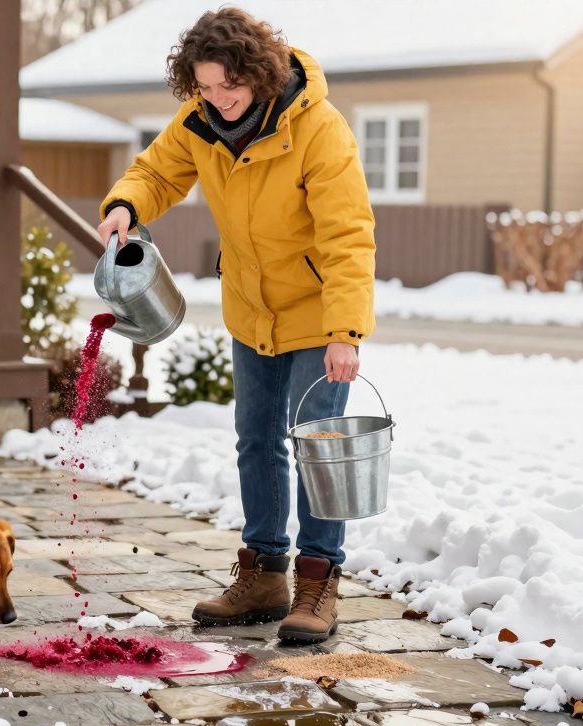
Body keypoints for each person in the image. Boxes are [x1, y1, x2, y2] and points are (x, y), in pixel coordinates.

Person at [96, 8, 376, 643]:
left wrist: (345, 331)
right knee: (256, 440)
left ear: (259, 74)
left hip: (316, 315)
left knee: (319, 445)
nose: (219, 101)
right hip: (251, 312)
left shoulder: (317, 129)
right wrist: (123, 205)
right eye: (206, 89)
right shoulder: (200, 122)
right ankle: (264, 573)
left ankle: (318, 579)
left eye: (231, 87)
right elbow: (157, 170)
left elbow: (348, 236)